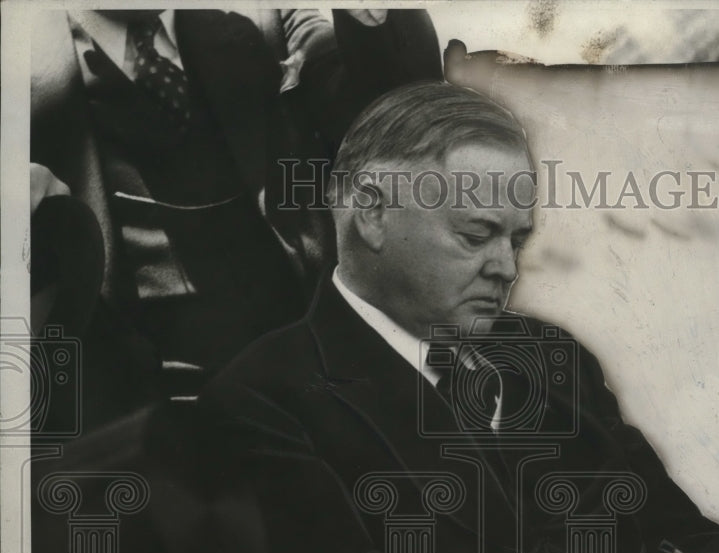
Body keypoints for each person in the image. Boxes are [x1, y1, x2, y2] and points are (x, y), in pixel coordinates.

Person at [199, 81, 719, 553]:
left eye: (517, 240)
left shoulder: (551, 357)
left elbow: (666, 520)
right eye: (475, 236)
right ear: (371, 213)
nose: (506, 268)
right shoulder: (262, 398)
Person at [30, 8, 442, 422]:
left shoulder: (265, 18)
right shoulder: (24, 52)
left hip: (294, 378)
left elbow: (394, 105)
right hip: (132, 408)